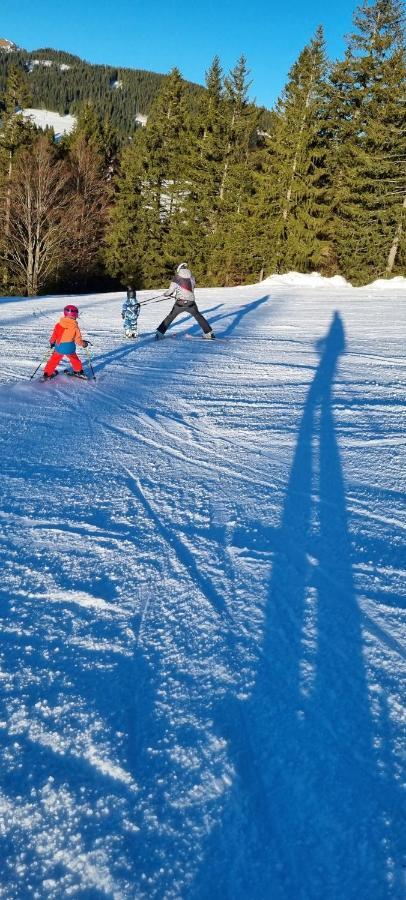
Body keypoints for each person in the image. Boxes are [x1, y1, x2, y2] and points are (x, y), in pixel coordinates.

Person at [155, 263, 215, 339]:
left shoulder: (176, 278)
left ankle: (159, 333)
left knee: (170, 317)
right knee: (199, 317)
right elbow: (192, 288)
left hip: (180, 303)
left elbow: (170, 291)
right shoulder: (192, 277)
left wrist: (166, 294)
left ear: (178, 269)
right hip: (191, 302)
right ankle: (209, 333)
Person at [43, 304, 88, 379]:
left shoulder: (59, 325)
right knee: (74, 358)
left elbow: (54, 335)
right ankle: (78, 371)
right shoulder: (75, 327)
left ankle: (47, 373)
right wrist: (83, 343)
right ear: (75, 315)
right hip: (69, 347)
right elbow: (78, 340)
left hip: (59, 347)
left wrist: (52, 342)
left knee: (54, 360)